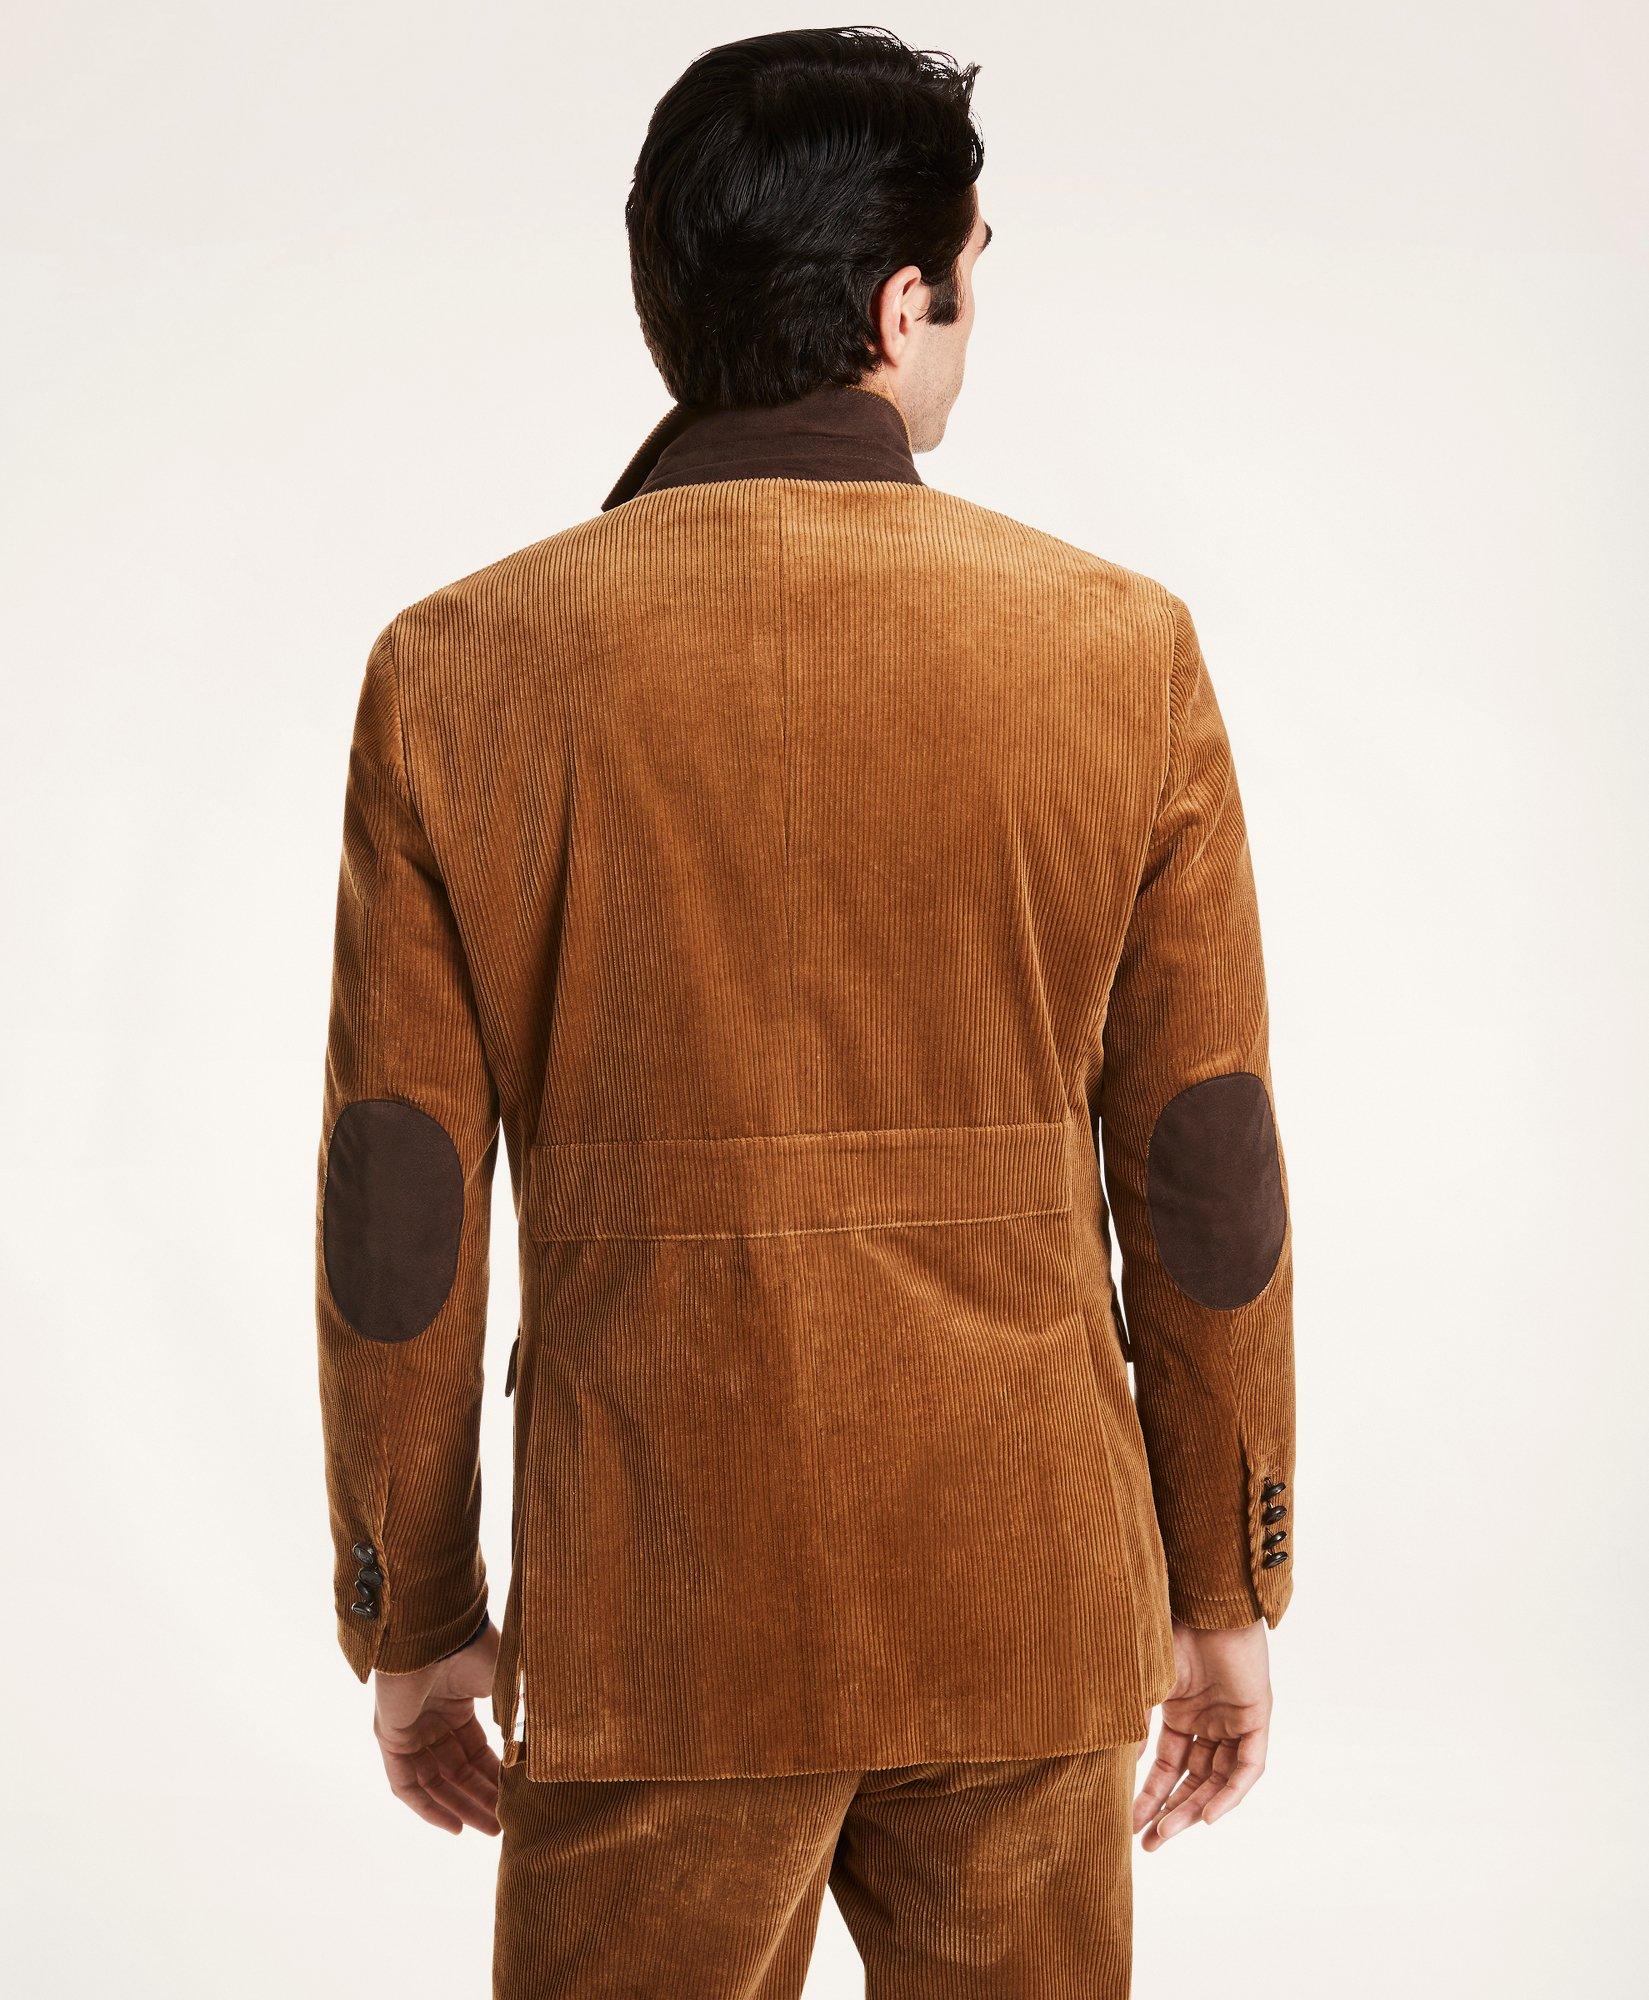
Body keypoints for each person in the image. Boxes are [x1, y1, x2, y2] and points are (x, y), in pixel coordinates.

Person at [313, 25, 1295, 1997]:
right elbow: (1204, 1171)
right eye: (973, 273)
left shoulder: (460, 667)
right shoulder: (1118, 649)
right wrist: (1225, 1579)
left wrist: (409, 1613)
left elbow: (398, 1203)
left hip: (656, 1613)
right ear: (898, 302)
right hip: (1023, 1593)